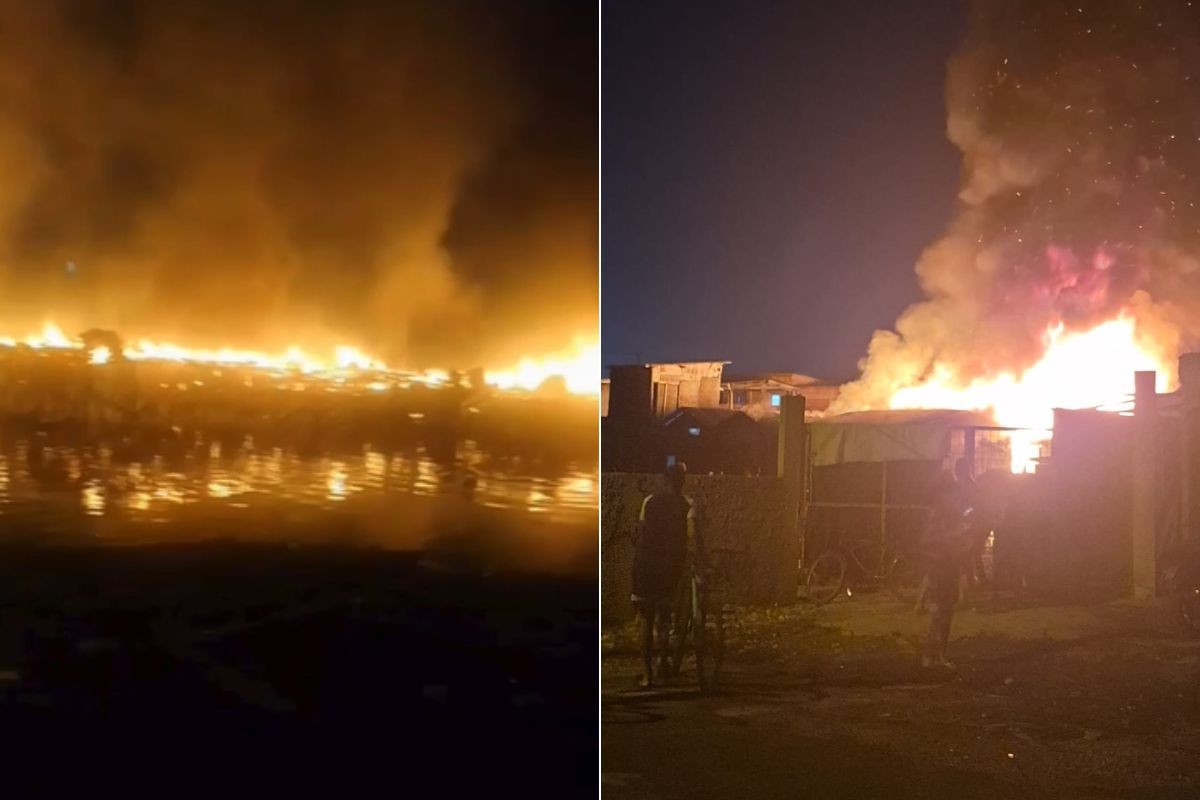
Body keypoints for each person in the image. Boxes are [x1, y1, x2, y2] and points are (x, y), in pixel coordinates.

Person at [630, 463, 697, 688]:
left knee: (647, 621)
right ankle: (663, 666)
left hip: (646, 565)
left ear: (664, 480)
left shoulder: (649, 502)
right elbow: (691, 538)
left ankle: (647, 673)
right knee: (665, 619)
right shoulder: (686, 505)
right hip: (670, 568)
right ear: (681, 482)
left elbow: (640, 533)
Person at [919, 459, 974, 669]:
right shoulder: (936, 515)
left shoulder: (952, 513)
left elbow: (966, 519)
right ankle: (930, 655)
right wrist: (954, 536)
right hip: (938, 567)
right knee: (938, 613)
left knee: (946, 612)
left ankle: (938, 655)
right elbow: (927, 541)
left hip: (949, 566)